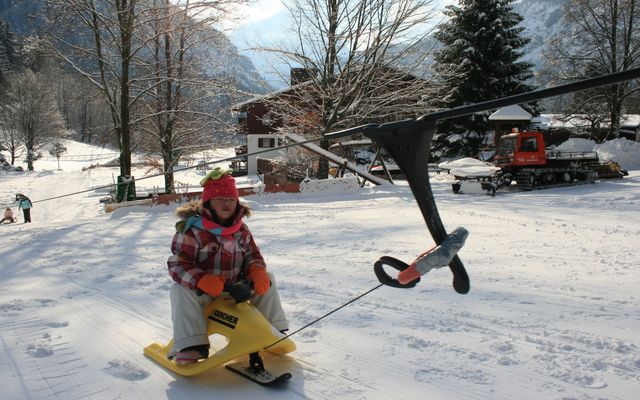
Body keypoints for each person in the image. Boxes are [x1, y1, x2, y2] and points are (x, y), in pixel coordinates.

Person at [167, 168, 289, 365]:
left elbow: (252, 255)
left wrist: (256, 270)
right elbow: (178, 263)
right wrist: (201, 279)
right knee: (179, 290)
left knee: (268, 277)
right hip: (205, 292)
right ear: (208, 202)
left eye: (231, 200)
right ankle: (191, 344)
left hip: (236, 288)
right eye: (220, 199)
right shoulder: (192, 231)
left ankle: (274, 331)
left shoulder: (241, 229)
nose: (226, 204)